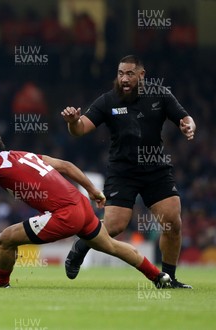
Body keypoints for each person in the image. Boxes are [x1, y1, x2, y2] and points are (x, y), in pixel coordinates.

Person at [0, 131, 172, 288]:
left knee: (6, 238)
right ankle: (158, 276)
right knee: (111, 246)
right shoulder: (26, 155)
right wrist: (91, 190)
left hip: (65, 214)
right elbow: (65, 165)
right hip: (80, 206)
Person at [61, 55, 195, 288]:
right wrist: (73, 121)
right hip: (122, 171)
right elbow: (80, 129)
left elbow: (185, 117)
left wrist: (188, 124)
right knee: (114, 226)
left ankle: (168, 279)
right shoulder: (108, 101)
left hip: (156, 168)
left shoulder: (160, 95)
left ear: (141, 75)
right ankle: (81, 246)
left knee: (172, 222)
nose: (124, 78)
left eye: (129, 74)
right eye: (121, 73)